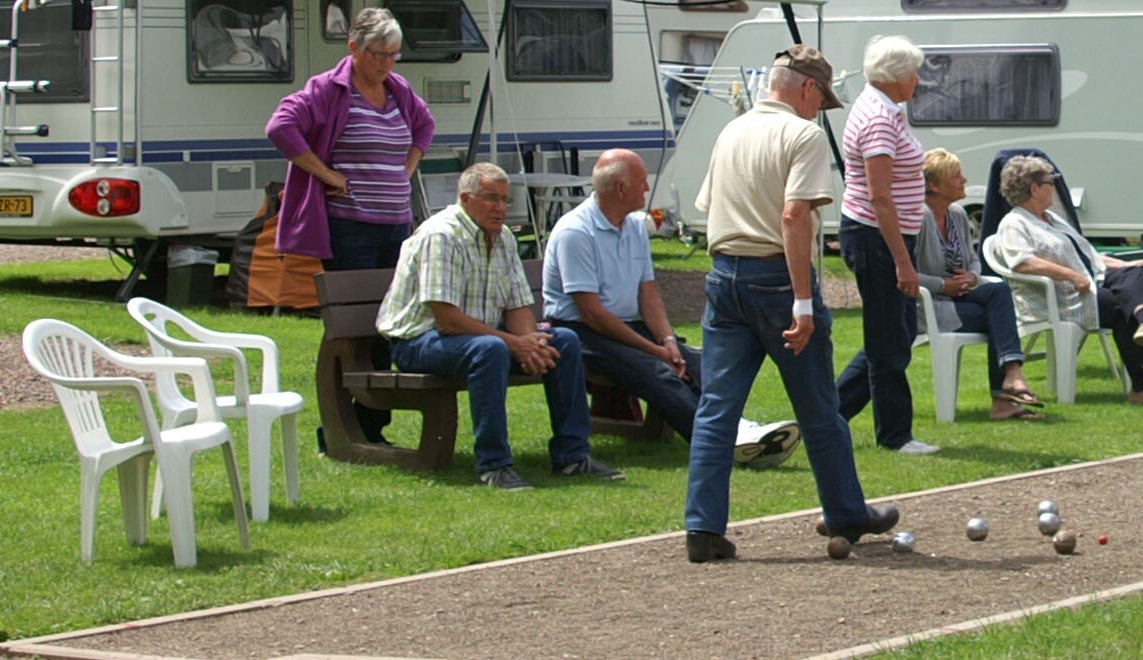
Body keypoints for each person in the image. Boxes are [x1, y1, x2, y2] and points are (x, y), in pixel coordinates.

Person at [682, 46, 897, 564]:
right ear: (807, 88)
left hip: (723, 275)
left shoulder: (731, 131)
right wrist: (802, 300)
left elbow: (710, 207)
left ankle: (702, 528)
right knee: (818, 406)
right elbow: (794, 217)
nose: (820, 109)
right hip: (776, 279)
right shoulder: (803, 135)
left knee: (716, 410)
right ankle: (845, 513)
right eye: (822, 98)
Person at [540, 148, 798, 466]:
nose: (647, 188)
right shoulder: (575, 232)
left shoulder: (635, 226)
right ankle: (718, 443)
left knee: (699, 362)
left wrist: (668, 341)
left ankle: (737, 430)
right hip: (581, 331)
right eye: (641, 181)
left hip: (623, 323)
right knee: (658, 371)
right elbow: (592, 313)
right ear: (620, 188)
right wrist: (655, 350)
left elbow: (648, 295)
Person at [376, 160, 621, 490]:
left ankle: (573, 457)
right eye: (491, 198)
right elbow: (447, 320)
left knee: (563, 340)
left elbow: (517, 305)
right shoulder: (442, 236)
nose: (501, 208)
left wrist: (531, 342)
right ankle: (494, 465)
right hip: (419, 341)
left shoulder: (504, 237)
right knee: (490, 349)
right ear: (466, 199)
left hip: (474, 339)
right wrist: (514, 344)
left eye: (506, 199)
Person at [269, 8, 434, 441]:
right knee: (354, 328)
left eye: (393, 55)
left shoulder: (398, 89)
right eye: (379, 53)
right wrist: (326, 174)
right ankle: (343, 426)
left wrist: (406, 169)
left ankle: (371, 425)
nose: (386, 63)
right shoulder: (329, 89)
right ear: (354, 48)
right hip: (350, 227)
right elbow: (280, 127)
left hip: (396, 226)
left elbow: (425, 125)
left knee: (389, 323)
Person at [841, 148, 1041, 421]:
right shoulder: (918, 218)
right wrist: (943, 286)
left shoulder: (957, 214)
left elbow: (973, 259)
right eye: (956, 175)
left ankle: (1010, 379)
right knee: (1000, 317)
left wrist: (972, 277)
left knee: (999, 291)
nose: (964, 180)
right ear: (934, 185)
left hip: (960, 298)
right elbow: (906, 273)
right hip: (927, 306)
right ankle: (1006, 392)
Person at [989, 154, 1143, 405]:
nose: (1054, 187)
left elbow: (1090, 257)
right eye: (1051, 182)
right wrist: (1071, 275)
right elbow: (1023, 262)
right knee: (1121, 305)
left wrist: (1128, 266)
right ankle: (1142, 375)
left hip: (1087, 284)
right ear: (1035, 189)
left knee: (1130, 278)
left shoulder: (1052, 219)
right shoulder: (1014, 223)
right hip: (1056, 298)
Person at [834, 35, 939, 458]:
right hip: (875, 237)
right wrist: (902, 262)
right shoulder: (879, 118)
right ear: (895, 77)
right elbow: (880, 198)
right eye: (913, 73)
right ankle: (895, 434)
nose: (917, 80)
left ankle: (829, 414)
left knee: (896, 333)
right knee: (888, 339)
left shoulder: (886, 110)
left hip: (883, 236)